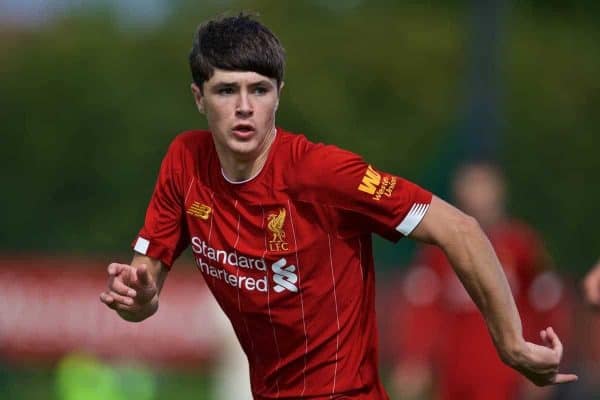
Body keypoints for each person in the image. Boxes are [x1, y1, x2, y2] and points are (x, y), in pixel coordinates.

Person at [99, 14, 577, 399]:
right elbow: (144, 290)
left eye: (259, 90)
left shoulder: (322, 173)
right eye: (227, 90)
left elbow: (461, 228)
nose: (244, 106)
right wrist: (138, 301)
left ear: (278, 96)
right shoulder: (185, 162)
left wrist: (510, 342)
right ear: (198, 98)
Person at [385, 161, 574, 400]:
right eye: (472, 191)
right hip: (454, 372)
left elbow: (546, 305)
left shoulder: (521, 246)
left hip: (507, 375)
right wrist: (414, 358)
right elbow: (423, 309)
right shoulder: (439, 252)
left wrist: (545, 361)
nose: (479, 199)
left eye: (484, 190)